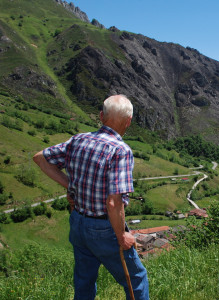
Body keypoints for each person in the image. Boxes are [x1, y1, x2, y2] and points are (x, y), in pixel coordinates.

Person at [33, 95, 149, 300]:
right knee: (136, 278)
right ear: (129, 121)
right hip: (104, 228)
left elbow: (40, 159)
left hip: (78, 222)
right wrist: (122, 236)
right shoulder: (120, 151)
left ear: (101, 116)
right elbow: (114, 203)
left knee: (84, 280)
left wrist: (72, 186)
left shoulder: (79, 139)